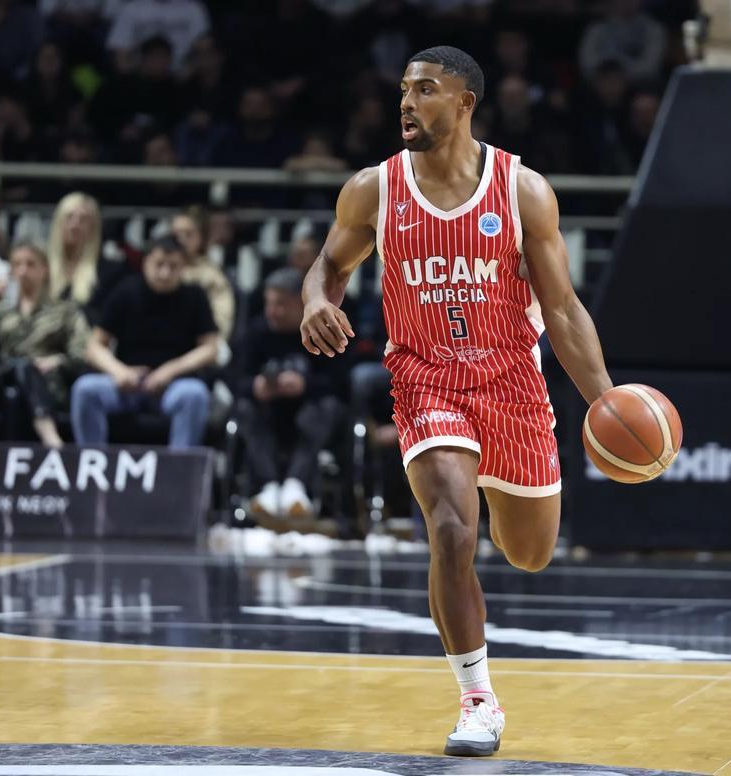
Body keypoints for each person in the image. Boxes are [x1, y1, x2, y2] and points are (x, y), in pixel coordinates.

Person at [300, 46, 614, 757]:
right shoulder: (373, 190)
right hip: (426, 378)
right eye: (404, 91)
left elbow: (561, 311)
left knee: (529, 553)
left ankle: (500, 511)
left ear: (466, 102)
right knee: (449, 529)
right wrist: (317, 298)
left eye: (426, 90)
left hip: (512, 382)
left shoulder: (521, 189)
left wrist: (604, 400)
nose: (407, 103)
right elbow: (328, 264)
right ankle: (478, 699)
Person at [71, 235, 218, 449]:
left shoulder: (195, 296)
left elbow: (210, 349)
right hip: (128, 384)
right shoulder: (125, 292)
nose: (165, 272)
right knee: (85, 389)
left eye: (173, 266)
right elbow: (94, 347)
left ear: (183, 267)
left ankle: (178, 471)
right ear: (146, 262)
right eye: (159, 264)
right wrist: (119, 372)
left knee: (195, 394)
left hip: (173, 386)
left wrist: (170, 371)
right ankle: (92, 462)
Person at [240, 269, 344, 524]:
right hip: (267, 412)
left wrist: (304, 384)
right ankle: (268, 487)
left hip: (308, 412)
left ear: (301, 303)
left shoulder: (322, 329)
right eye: (269, 303)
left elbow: (340, 382)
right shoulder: (256, 332)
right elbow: (232, 378)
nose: (272, 312)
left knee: (325, 408)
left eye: (281, 305)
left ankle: (295, 485)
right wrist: (255, 386)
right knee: (243, 408)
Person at [0, 241, 89, 448]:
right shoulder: (0, 310)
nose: (23, 271)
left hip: (48, 383)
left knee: (19, 389)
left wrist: (58, 360)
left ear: (45, 269)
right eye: (17, 265)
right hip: (2, 379)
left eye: (30, 264)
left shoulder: (64, 310)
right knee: (21, 366)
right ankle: (48, 433)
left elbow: (80, 354)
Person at [46, 191, 127, 320]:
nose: (74, 225)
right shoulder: (40, 267)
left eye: (83, 220)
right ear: (58, 223)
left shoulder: (110, 273)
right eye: (69, 217)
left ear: (94, 227)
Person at [171, 205, 236, 340]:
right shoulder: (156, 270)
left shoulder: (212, 275)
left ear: (202, 237)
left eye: (188, 234)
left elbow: (221, 325)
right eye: (176, 234)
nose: (181, 240)